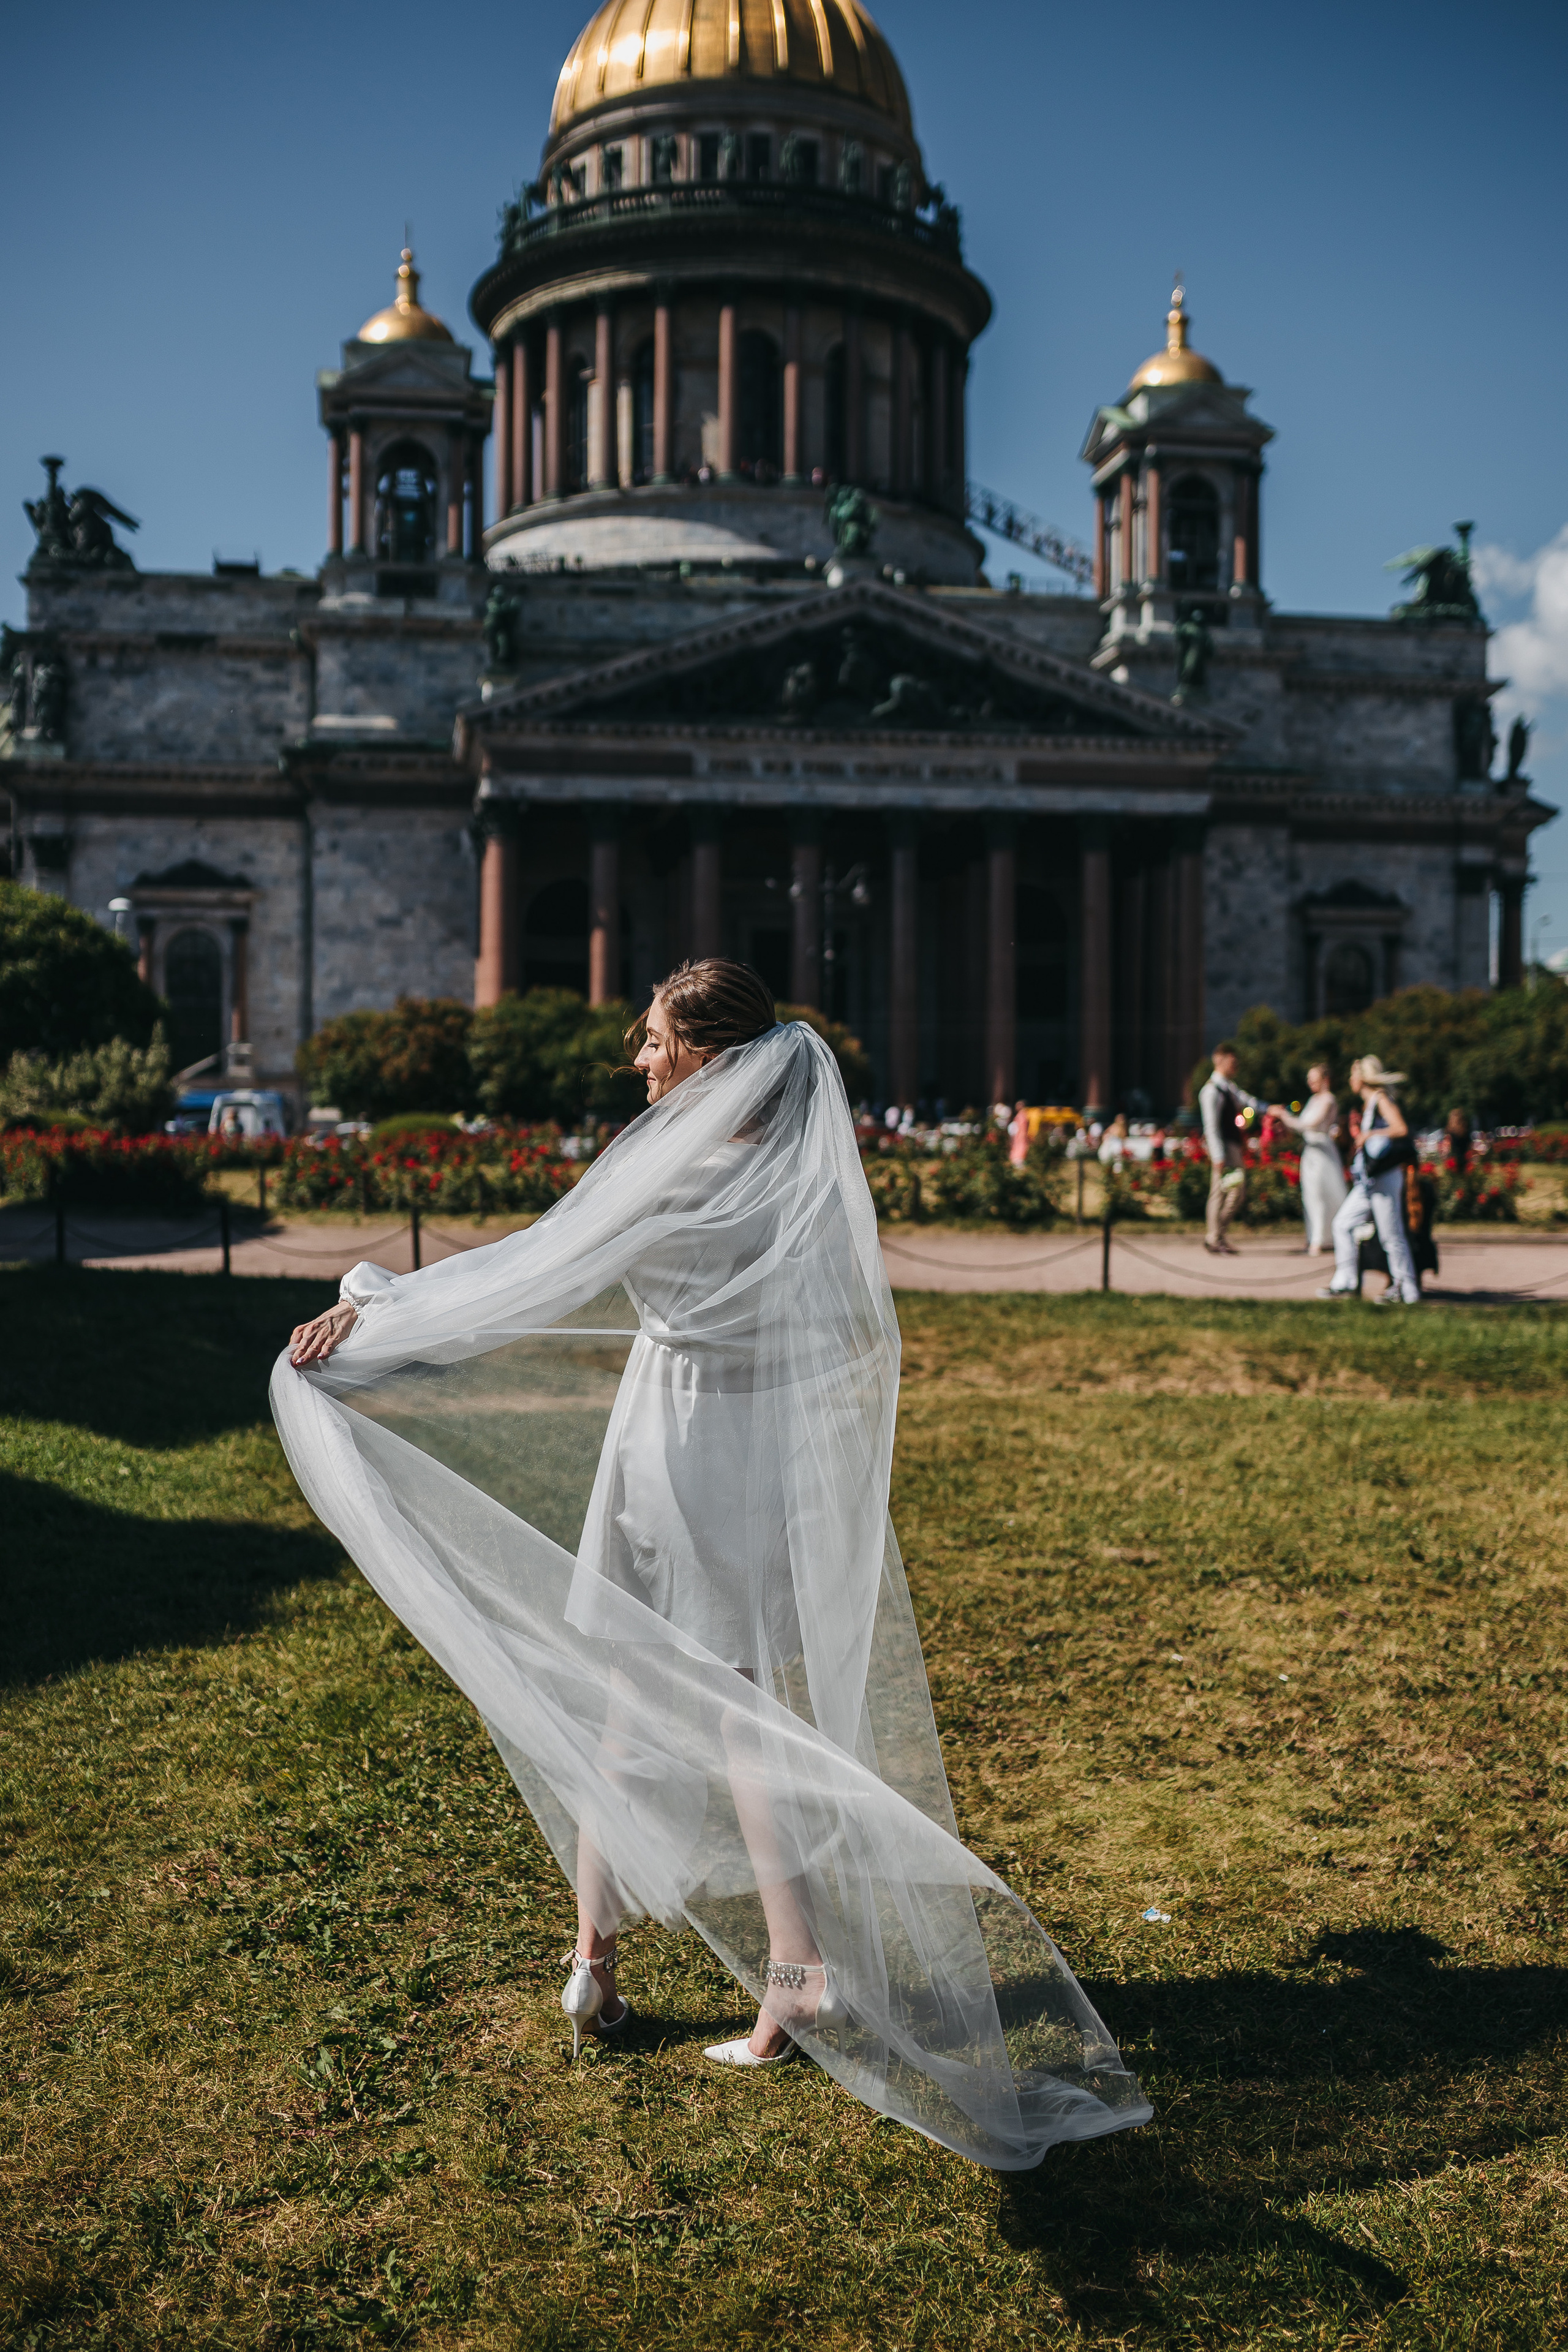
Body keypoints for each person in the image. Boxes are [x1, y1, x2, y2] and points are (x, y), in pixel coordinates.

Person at [276, 959, 1149, 2167]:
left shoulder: (669, 1163)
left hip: (671, 1443)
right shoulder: (782, 1167)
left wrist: (370, 1307)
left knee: (669, 1702)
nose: (637, 1059)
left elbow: (521, 1275)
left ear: (706, 1054)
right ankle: (666, 1962)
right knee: (692, 1702)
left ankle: (691, 1965)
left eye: (652, 1042)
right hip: (740, 1440)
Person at [1321, 1054, 1421, 1305]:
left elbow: (1400, 1129)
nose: (1350, 1079)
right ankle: (1346, 1282)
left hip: (1385, 1178)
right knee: (1342, 1224)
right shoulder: (1368, 1104)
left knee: (1391, 1234)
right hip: (1369, 1181)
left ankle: (1406, 1289)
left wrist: (1370, 1134)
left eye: (1354, 1073)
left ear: (1364, 1077)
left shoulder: (1380, 1100)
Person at [1199, 1044, 1267, 1256]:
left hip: (1232, 1147)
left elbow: (1248, 1101)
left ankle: (1217, 1235)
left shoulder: (1228, 1087)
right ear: (1218, 1060)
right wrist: (1218, 1155)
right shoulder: (1211, 1090)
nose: (1235, 1065)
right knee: (1221, 1193)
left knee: (1234, 1192)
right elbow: (1211, 1126)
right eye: (1232, 1061)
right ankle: (1214, 1237)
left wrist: (1269, 1108)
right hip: (1224, 1149)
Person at [1271, 1065, 1347, 1253]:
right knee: (1311, 1195)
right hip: (1310, 1153)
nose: (1309, 1082)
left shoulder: (1329, 1100)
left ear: (1325, 1080)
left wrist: (1284, 1115)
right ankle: (1315, 1236)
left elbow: (1309, 1125)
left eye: (1313, 1078)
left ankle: (1322, 1239)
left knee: (1324, 1193)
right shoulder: (1313, 1099)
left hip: (1322, 1152)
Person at [1008, 1099, 1030, 1166]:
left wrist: (1022, 1136)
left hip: (1020, 1136)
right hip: (1018, 1135)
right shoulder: (1021, 1115)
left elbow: (1023, 1128)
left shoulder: (1022, 1115)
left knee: (1019, 1150)